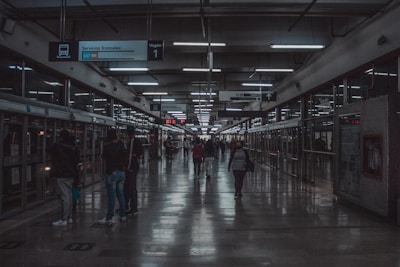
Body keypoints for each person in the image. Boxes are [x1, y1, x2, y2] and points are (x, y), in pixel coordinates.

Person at [48, 129, 79, 226]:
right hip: (71, 174)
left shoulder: (58, 146)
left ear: (61, 137)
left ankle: (64, 219)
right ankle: (69, 217)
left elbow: (48, 150)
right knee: (69, 195)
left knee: (64, 196)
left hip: (61, 174)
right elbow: (77, 160)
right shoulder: (74, 147)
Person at [98, 129, 128, 225]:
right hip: (121, 173)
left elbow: (103, 157)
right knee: (121, 195)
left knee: (111, 196)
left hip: (112, 173)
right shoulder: (121, 145)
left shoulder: (107, 147)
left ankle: (109, 217)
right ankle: (123, 215)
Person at [124, 126, 143, 215]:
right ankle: (125, 205)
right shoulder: (131, 141)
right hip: (130, 167)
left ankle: (134, 208)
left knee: (131, 188)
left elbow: (132, 155)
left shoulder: (133, 142)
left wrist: (129, 167)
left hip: (131, 167)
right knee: (127, 187)